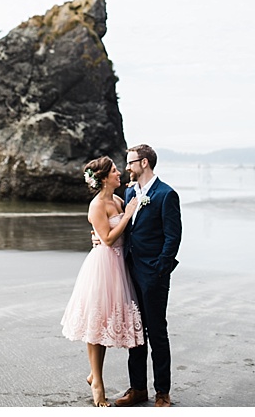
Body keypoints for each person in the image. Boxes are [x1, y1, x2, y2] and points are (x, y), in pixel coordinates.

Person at [61, 156, 144, 407]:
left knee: (106, 324)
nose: (119, 173)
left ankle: (93, 374)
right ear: (104, 178)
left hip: (119, 266)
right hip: (103, 266)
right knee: (96, 324)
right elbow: (107, 239)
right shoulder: (97, 205)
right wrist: (127, 215)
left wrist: (127, 211)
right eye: (115, 170)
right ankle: (97, 383)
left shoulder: (118, 199)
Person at [112, 144, 182, 408]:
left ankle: (162, 392)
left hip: (154, 275)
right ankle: (138, 388)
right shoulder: (130, 192)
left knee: (157, 332)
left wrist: (159, 269)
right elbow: (124, 228)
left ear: (144, 163)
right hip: (130, 271)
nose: (126, 167)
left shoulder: (166, 195)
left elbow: (173, 237)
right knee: (135, 331)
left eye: (130, 162)